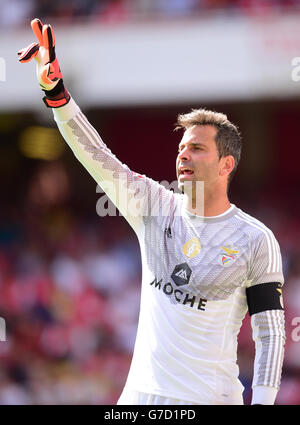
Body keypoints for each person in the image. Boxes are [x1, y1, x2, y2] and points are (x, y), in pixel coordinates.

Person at [18, 18, 286, 405]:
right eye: (181, 147)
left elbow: (271, 331)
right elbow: (98, 159)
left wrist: (262, 401)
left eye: (197, 148)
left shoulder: (255, 239)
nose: (183, 154)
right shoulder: (155, 205)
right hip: (140, 399)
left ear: (227, 164)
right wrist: (58, 96)